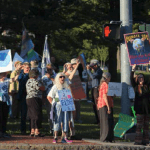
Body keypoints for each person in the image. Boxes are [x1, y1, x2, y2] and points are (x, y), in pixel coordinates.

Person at [47, 73, 73, 143]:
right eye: (60, 77)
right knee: (57, 120)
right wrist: (54, 103)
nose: (62, 78)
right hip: (58, 106)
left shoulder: (67, 86)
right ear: (58, 78)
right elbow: (49, 97)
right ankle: (55, 137)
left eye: (63, 77)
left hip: (66, 105)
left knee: (65, 121)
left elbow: (70, 96)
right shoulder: (55, 87)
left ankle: (64, 137)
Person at [131, 64, 150, 145]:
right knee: (139, 126)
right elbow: (131, 79)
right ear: (137, 79)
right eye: (139, 78)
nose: (141, 79)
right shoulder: (136, 87)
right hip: (139, 109)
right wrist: (133, 70)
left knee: (146, 126)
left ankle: (146, 140)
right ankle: (138, 141)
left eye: (142, 77)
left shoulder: (147, 86)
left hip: (147, 109)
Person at [0, 71, 20, 138]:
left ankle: (3, 131)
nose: (4, 75)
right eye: (3, 74)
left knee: (4, 116)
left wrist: (18, 72)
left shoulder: (6, 80)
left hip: (5, 101)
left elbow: (14, 79)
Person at [26, 69, 45, 137]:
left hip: (28, 98)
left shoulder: (28, 81)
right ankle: (37, 130)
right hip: (35, 98)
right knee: (37, 114)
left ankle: (32, 130)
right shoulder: (35, 81)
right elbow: (42, 88)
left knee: (31, 114)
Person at [97, 72, 114, 142]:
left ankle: (103, 137)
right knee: (107, 122)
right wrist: (108, 107)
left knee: (104, 122)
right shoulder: (105, 85)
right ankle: (106, 137)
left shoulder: (101, 84)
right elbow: (104, 96)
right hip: (104, 105)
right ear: (107, 78)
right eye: (109, 77)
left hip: (101, 105)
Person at [86, 59, 103, 124]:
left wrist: (88, 71)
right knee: (94, 104)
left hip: (97, 88)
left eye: (92, 66)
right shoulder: (95, 71)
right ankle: (97, 119)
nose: (91, 68)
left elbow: (93, 77)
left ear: (96, 65)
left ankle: (100, 120)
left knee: (97, 104)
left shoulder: (99, 71)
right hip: (93, 88)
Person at [17, 62, 30, 134]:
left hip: (30, 95)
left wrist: (28, 73)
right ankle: (23, 130)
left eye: (29, 68)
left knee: (31, 113)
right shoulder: (21, 75)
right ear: (23, 68)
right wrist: (20, 71)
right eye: (26, 68)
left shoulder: (31, 74)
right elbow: (19, 79)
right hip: (23, 96)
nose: (28, 69)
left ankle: (32, 129)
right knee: (23, 114)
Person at [42, 64, 55, 134]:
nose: (49, 71)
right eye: (48, 69)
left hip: (56, 98)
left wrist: (51, 78)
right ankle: (51, 128)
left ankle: (57, 127)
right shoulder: (44, 78)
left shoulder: (56, 76)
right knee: (50, 113)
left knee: (56, 112)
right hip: (48, 97)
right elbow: (42, 89)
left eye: (50, 69)